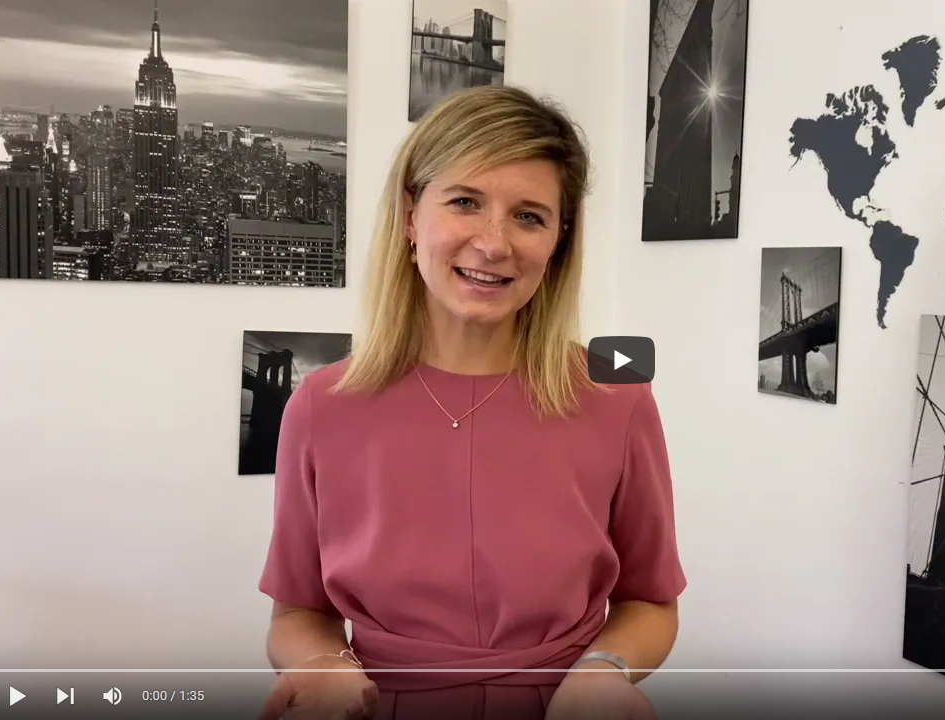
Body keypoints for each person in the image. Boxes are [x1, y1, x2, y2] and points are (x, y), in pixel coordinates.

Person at [256, 85, 686, 720]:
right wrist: (324, 666)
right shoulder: (321, 406)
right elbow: (298, 612)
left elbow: (650, 601)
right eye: (465, 202)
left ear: (559, 241)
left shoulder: (617, 397)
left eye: (529, 216)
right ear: (411, 215)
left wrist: (604, 671)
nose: (494, 244)